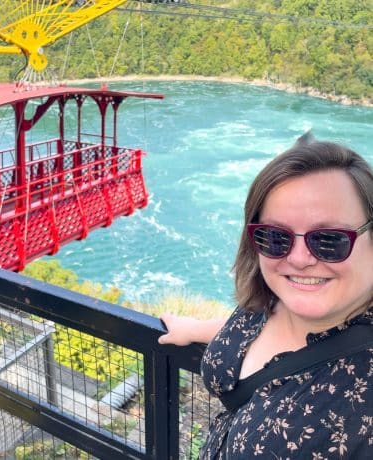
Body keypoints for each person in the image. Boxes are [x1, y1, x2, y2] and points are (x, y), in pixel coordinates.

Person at [159, 138, 373, 459]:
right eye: (275, 237)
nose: (299, 259)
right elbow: (246, 329)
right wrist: (193, 329)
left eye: (329, 239)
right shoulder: (269, 300)